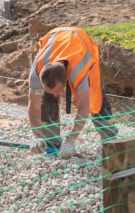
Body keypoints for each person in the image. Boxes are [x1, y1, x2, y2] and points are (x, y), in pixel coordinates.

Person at [27, 26, 119, 158]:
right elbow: (33, 107)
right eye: (51, 91)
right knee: (46, 102)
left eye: (58, 91)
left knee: (96, 97)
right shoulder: (37, 72)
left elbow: (84, 109)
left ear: (67, 82)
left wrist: (70, 140)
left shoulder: (78, 71)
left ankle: (110, 140)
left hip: (82, 46)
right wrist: (36, 136)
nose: (55, 95)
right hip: (56, 38)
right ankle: (51, 145)